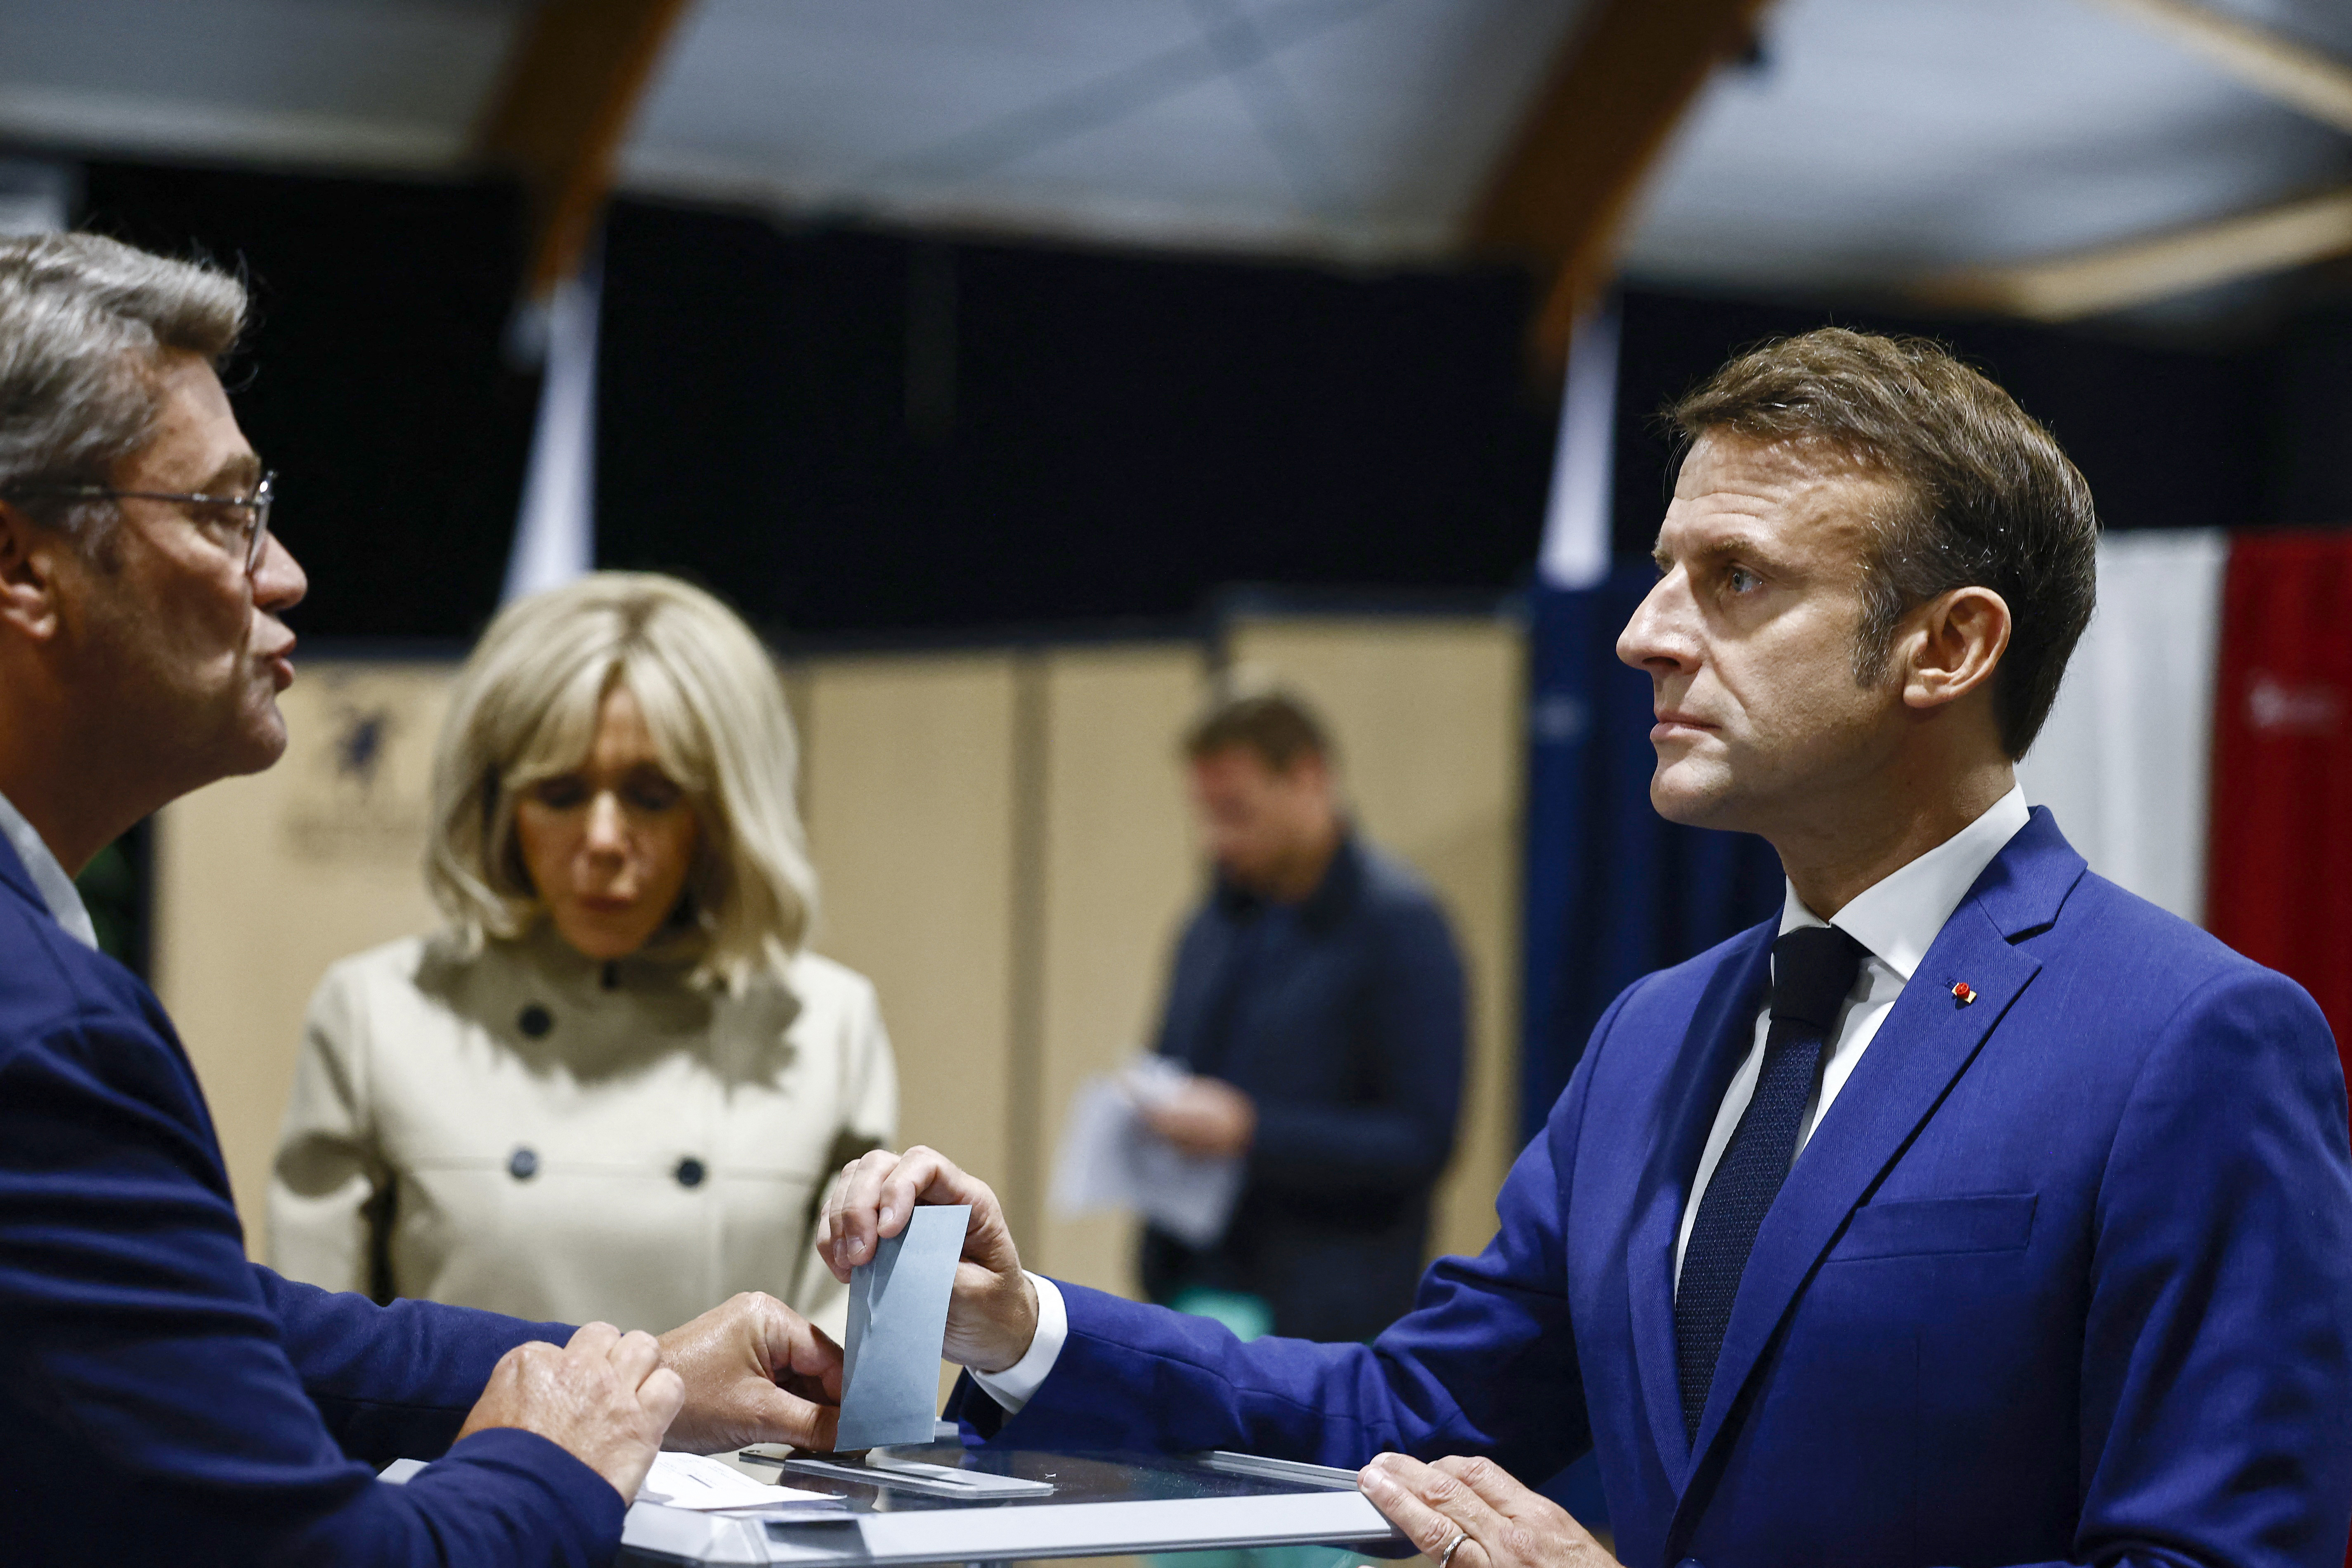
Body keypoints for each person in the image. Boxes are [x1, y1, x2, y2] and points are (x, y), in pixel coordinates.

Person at [820, 330, 2352, 1568]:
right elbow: (1412, 1404)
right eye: (1665, 567)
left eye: (1735, 580)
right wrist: (1023, 1328)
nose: (1643, 632)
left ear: (1943, 648)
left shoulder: (2191, 1044)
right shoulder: (1655, 1038)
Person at [0, 232, 838, 1567]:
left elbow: (242, 1325)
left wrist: (646, 1378)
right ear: (22, 566)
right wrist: (545, 1462)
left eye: (658, 794)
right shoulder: (56, 1034)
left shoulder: (825, 1021)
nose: (285, 576)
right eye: (224, 514)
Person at [271, 571, 897, 1338]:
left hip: (738, 1464)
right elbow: (311, 1364)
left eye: (653, 794)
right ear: (498, 804)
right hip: (464, 1461)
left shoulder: (826, 1027)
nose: (603, 840)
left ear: (723, 813)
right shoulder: (376, 1015)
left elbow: (844, 1388)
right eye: (561, 794)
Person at [1135, 680, 1465, 1342]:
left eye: (1236, 811)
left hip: (1330, 1320)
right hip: (1199, 1288)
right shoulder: (1216, 922)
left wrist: (1252, 1132)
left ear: (1309, 778)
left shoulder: (1400, 924)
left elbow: (1422, 1142)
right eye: (1205, 812)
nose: (1216, 839)